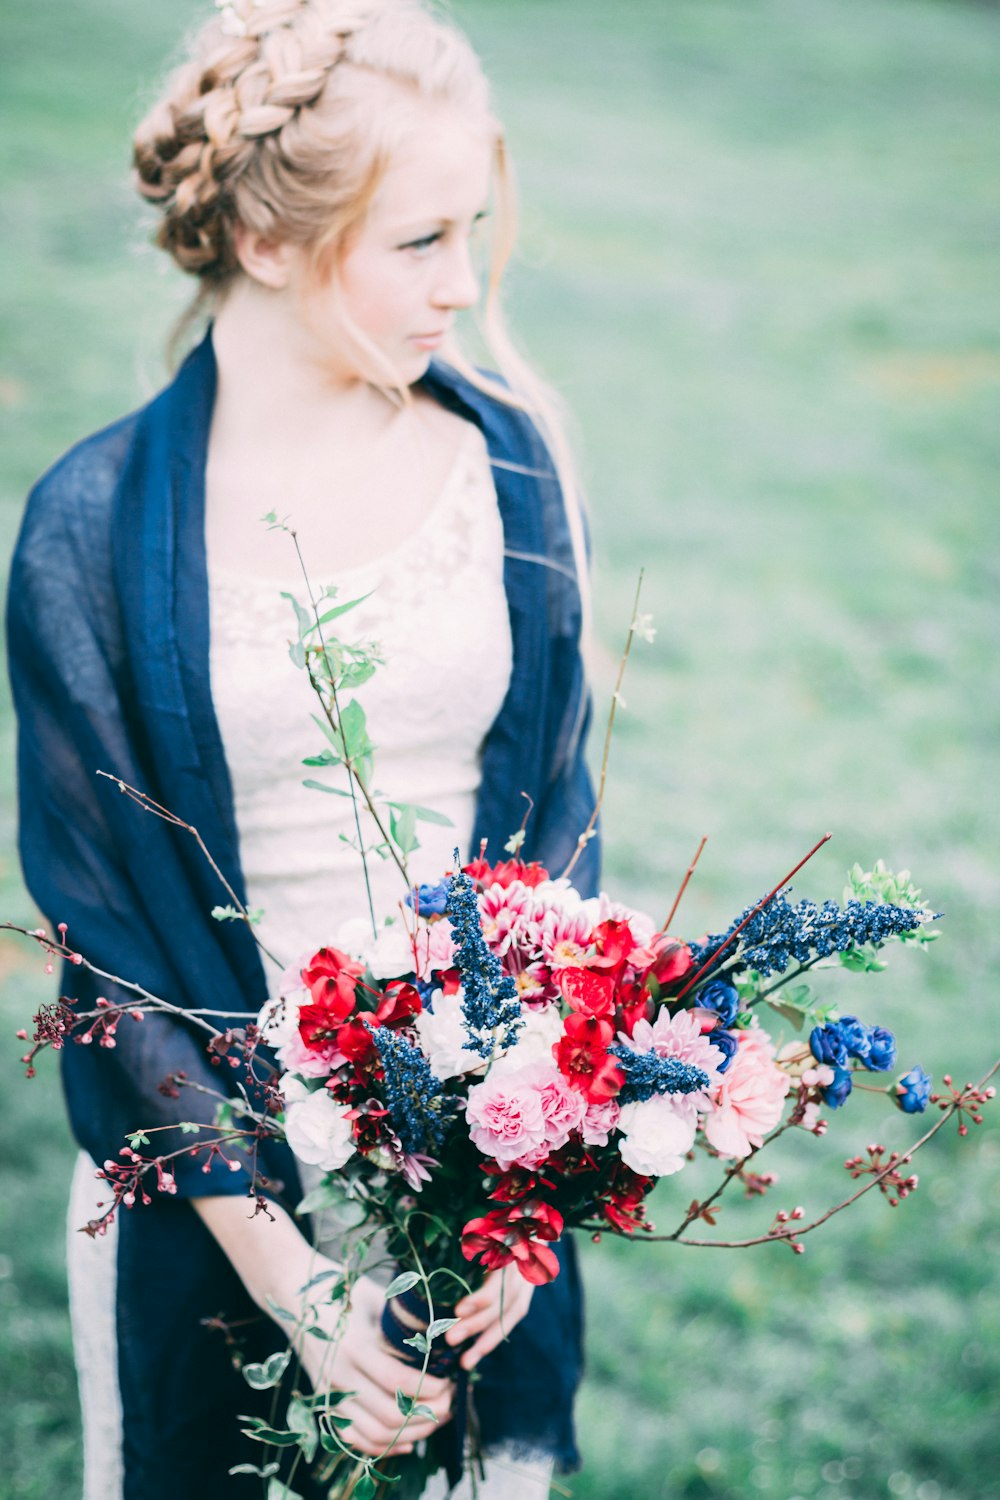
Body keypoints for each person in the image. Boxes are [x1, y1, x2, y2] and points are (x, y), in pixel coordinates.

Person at [7, 1, 600, 1496]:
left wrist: (519, 1188)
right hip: (215, 1192)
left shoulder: (513, 463)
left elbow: (556, 833)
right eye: (416, 243)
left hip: (468, 1186)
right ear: (268, 242)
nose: (461, 287)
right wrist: (299, 1284)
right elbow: (109, 955)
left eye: (473, 233)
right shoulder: (88, 534)